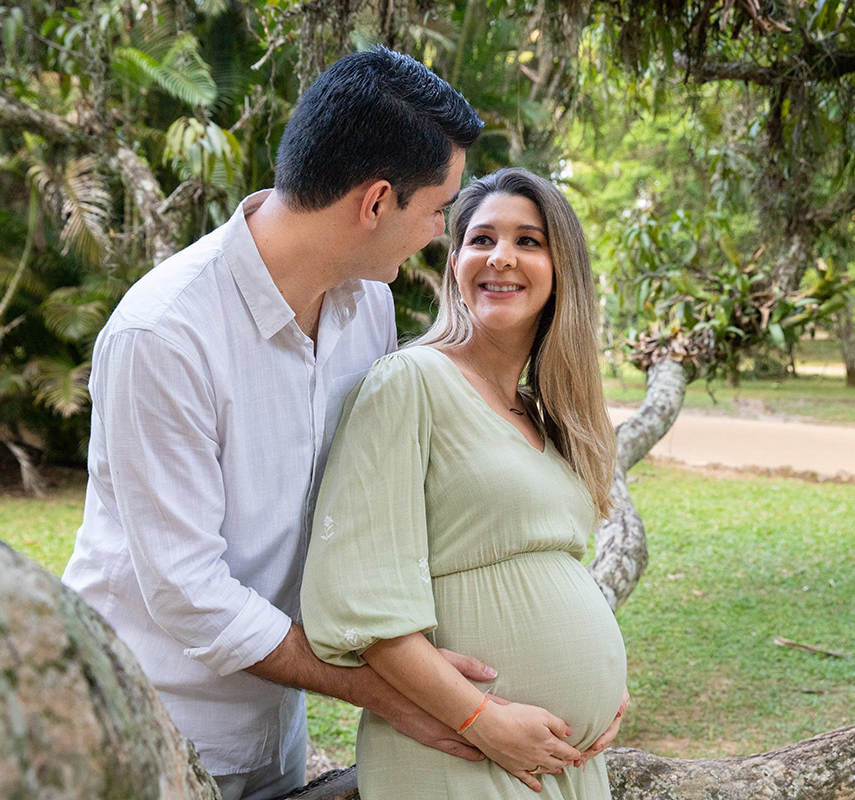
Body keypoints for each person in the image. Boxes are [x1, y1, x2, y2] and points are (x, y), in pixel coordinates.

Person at [61, 47, 488, 800]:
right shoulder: (162, 336)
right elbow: (190, 592)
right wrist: (391, 694)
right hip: (147, 730)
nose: (438, 233)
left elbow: (369, 503)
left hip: (275, 728)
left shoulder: (368, 306)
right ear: (376, 201)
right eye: (438, 208)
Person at [302, 168, 631, 798]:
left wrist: (605, 683)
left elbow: (554, 572)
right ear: (455, 264)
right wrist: (483, 720)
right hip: (464, 757)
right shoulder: (411, 382)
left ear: (563, 268)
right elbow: (369, 610)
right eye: (481, 240)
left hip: (569, 762)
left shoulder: (547, 414)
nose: (500, 257)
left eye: (528, 241)